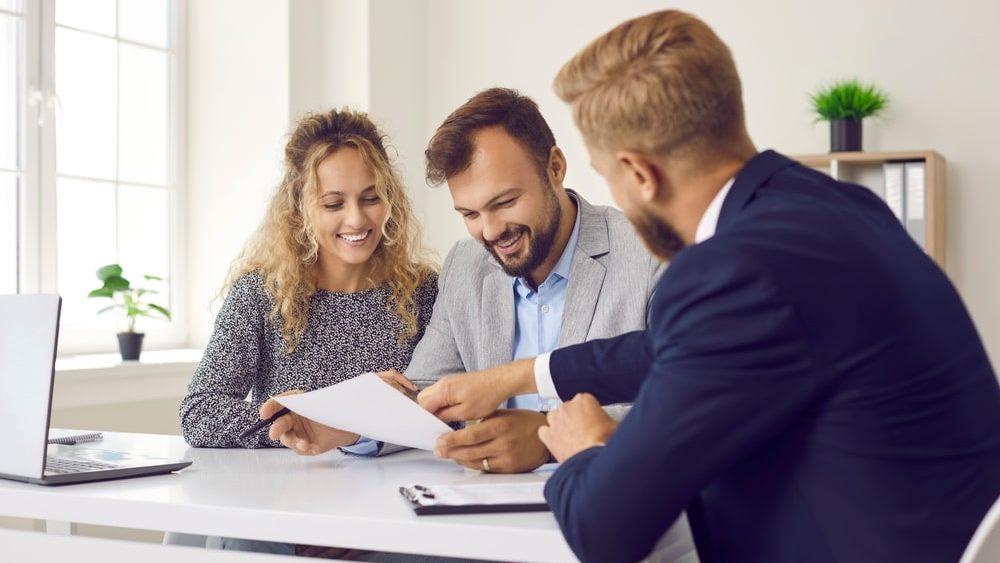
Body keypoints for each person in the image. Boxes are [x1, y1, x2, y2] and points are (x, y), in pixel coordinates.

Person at [418, 10, 1000, 563]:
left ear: (640, 173)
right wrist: (524, 375)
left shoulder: (732, 269)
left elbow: (604, 529)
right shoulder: (837, 204)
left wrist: (587, 447)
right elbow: (670, 352)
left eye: (607, 173)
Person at [180, 107, 437, 455]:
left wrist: (344, 411)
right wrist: (321, 412)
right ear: (300, 209)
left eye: (370, 198)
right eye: (333, 204)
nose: (356, 219)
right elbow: (199, 414)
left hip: (396, 496)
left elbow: (448, 418)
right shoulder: (261, 295)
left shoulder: (422, 292)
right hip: (293, 498)